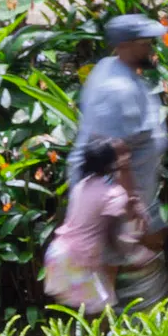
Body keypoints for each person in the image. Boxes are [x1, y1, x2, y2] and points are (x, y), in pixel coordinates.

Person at [67, 9, 168, 306]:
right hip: (114, 196)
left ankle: (141, 309)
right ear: (124, 45)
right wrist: (127, 206)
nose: (151, 47)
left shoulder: (112, 67)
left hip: (134, 191)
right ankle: (108, 324)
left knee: (151, 242)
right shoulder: (117, 91)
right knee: (107, 269)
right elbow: (111, 154)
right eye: (144, 42)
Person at [37, 136, 138, 324]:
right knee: (101, 317)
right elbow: (113, 235)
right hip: (79, 261)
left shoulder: (80, 186)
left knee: (85, 319)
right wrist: (131, 253)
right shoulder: (112, 194)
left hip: (58, 254)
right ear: (111, 163)